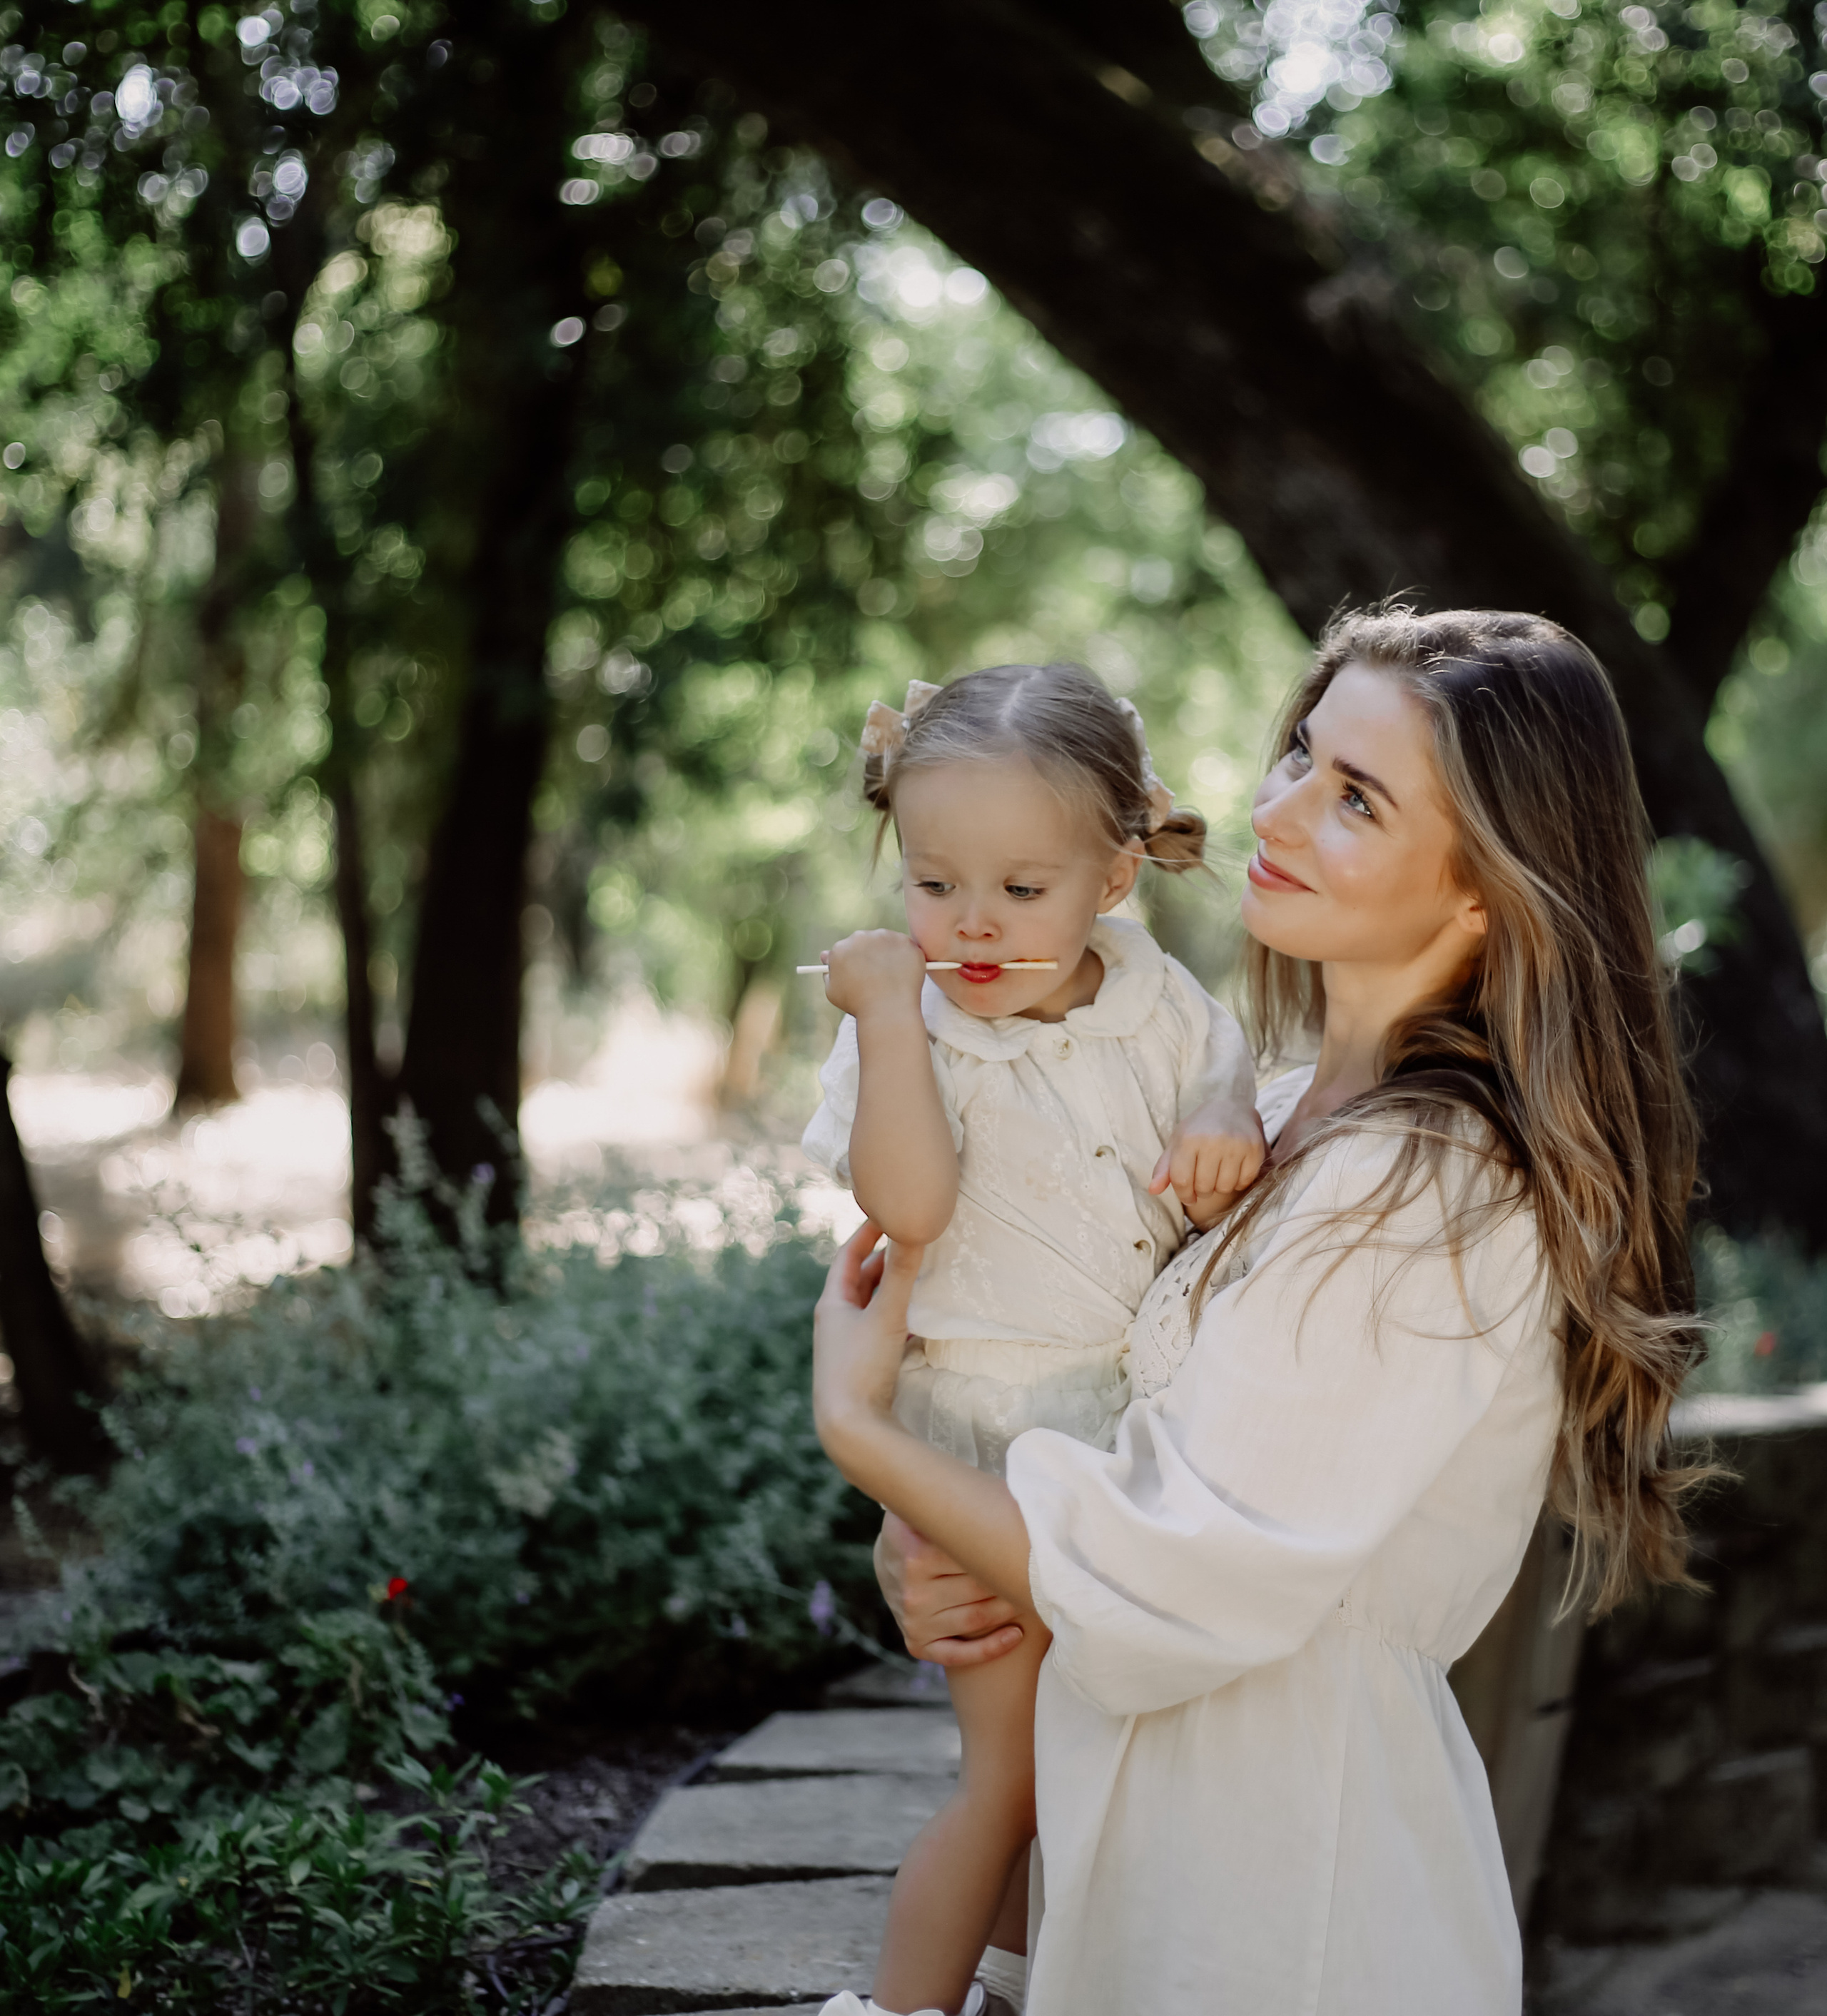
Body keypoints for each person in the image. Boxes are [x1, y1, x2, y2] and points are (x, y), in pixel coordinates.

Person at [813, 609, 1709, 2015]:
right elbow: (1109, 1454)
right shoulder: (1268, 1111)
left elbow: (1172, 1570)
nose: (1275, 808)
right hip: (1161, 1847)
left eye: (1356, 798)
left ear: (1483, 889)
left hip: (1280, 1884)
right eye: (1301, 753)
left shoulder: (1428, 1185)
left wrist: (859, 1427)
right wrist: (942, 1549)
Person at [801, 662, 1265, 2016]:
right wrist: (890, 1019)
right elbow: (910, 1207)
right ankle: (899, 2010)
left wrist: (1223, 1110)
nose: (972, 923)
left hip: (1132, 1439)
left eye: (1020, 887)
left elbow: (1225, 1055)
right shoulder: (912, 1031)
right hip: (981, 1449)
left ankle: (1007, 1982)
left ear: (1113, 878)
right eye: (933, 883)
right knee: (1009, 1780)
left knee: (1083, 1765)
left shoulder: (1155, 997)